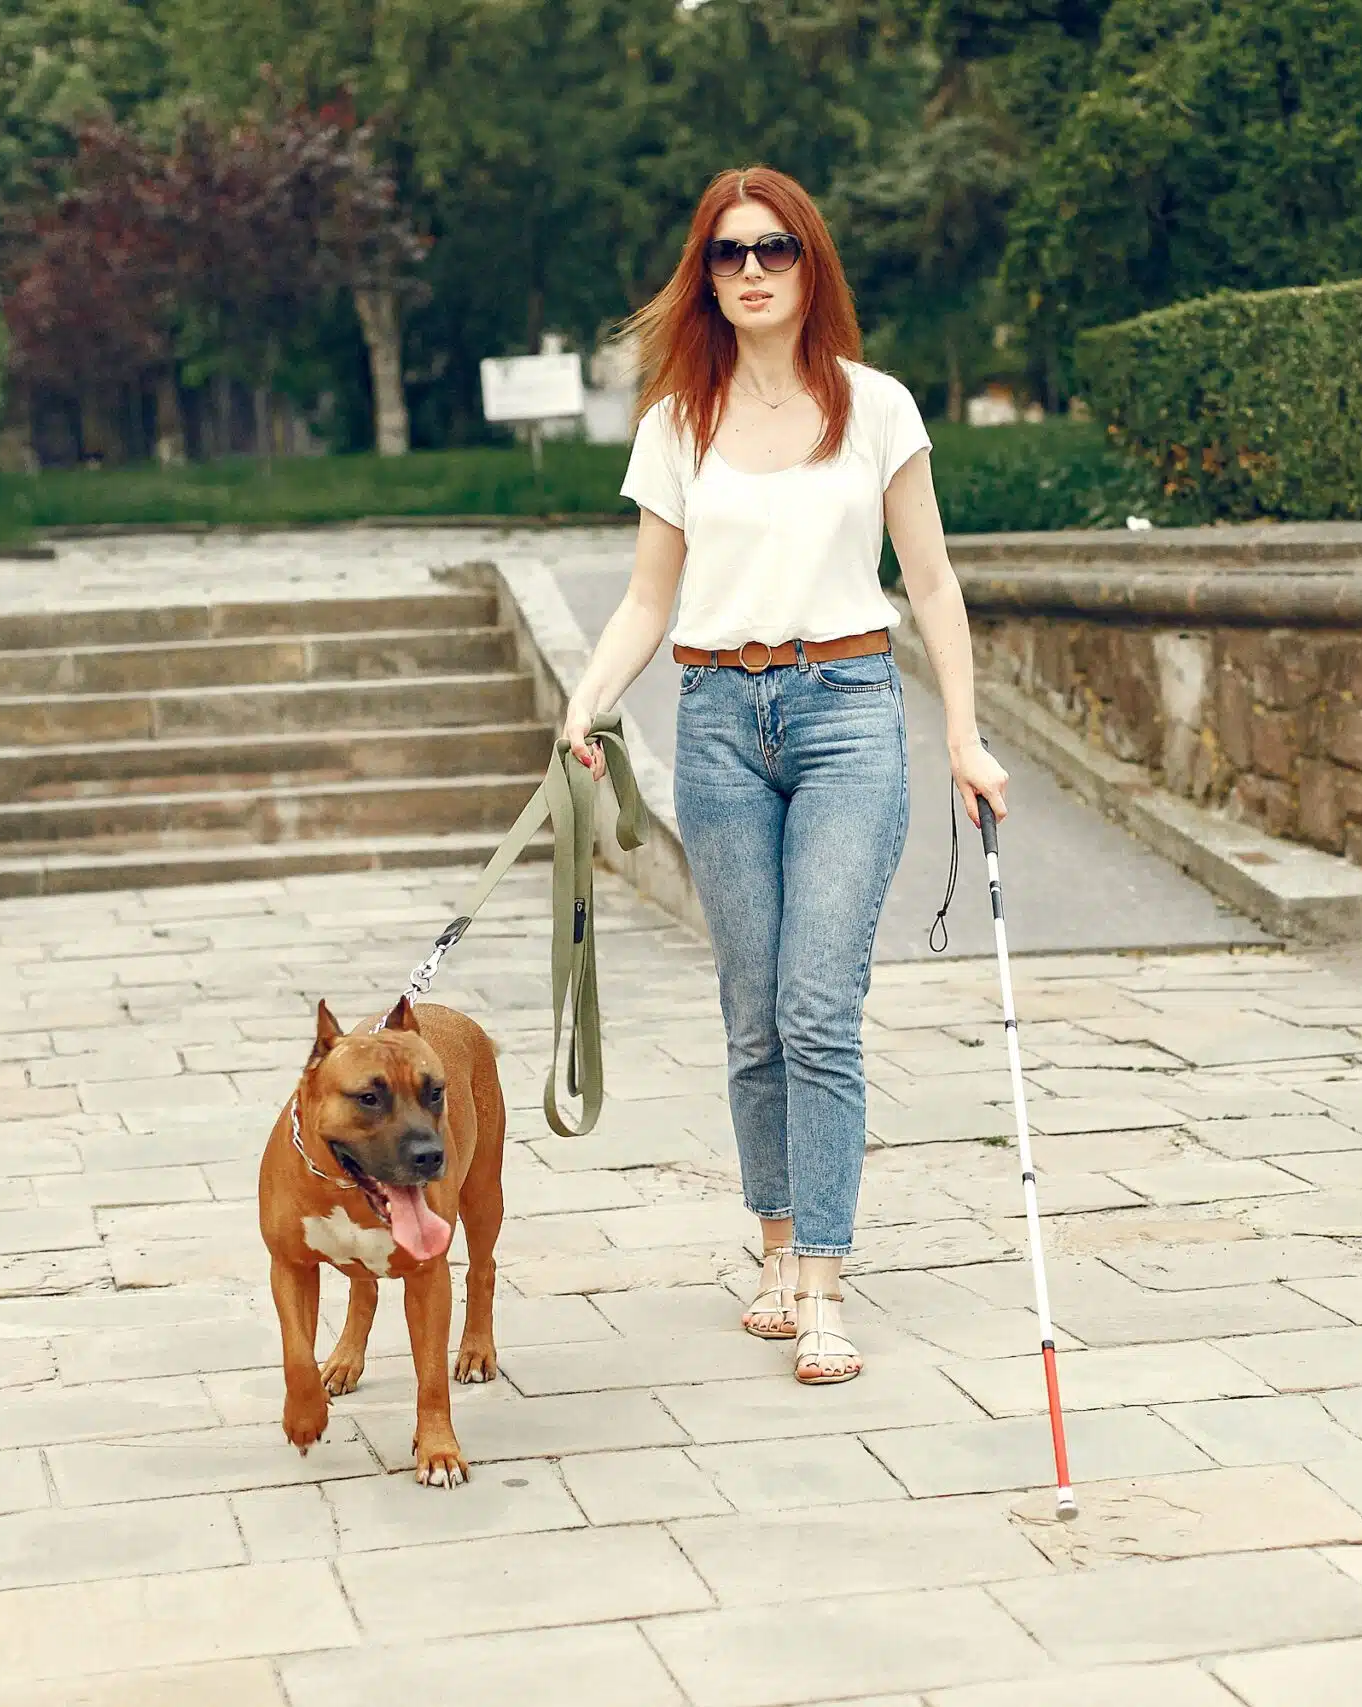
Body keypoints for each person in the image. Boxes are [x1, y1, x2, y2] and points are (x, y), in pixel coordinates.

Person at [561, 165, 1009, 1386]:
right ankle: (768, 1249)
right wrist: (583, 703)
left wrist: (964, 737)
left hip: (848, 714)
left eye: (774, 250)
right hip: (714, 720)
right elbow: (648, 597)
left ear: (812, 265)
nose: (751, 270)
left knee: (817, 1008)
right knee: (751, 1016)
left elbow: (932, 584)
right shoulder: (677, 423)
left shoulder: (875, 409)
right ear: (702, 275)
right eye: (726, 253)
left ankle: (822, 1278)